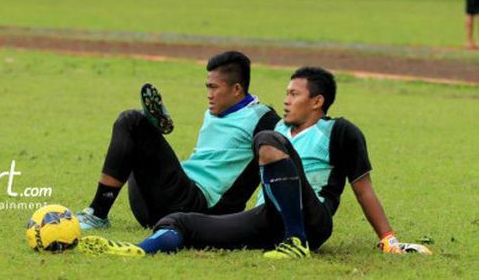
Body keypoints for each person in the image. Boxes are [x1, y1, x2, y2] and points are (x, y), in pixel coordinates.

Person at [79, 67, 432, 258]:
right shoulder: (277, 128)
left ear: (317, 101)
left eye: (294, 93)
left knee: (265, 139)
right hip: (266, 218)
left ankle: (296, 242)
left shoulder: (339, 131)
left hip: (312, 221)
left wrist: (388, 239)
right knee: (179, 221)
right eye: (286, 92)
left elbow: (364, 188)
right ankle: (136, 251)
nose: (286, 99)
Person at [76, 51, 280, 230]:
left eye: (214, 88)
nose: (209, 95)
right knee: (134, 130)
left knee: (132, 121)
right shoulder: (214, 111)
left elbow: (288, 154)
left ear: (236, 89)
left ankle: (97, 213)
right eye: (207, 87)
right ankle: (150, 124)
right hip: (159, 207)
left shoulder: (262, 118)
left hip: (200, 209)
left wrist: (263, 212)